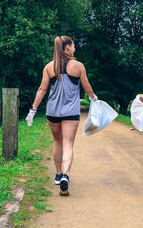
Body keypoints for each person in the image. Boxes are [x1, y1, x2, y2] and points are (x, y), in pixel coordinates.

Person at [26, 36, 97, 196]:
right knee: (68, 144)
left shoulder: (49, 67)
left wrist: (33, 110)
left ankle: (58, 175)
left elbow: (42, 90)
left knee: (57, 142)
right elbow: (87, 87)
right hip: (71, 112)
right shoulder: (78, 66)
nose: (75, 49)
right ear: (67, 47)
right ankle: (65, 174)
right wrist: (94, 99)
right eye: (73, 46)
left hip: (53, 112)